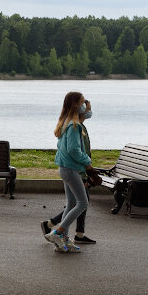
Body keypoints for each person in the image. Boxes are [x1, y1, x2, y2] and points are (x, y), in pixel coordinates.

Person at [44, 91, 98, 253]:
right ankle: (58, 232)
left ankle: (64, 241)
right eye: (83, 102)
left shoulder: (66, 122)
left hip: (65, 168)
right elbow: (74, 149)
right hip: (71, 169)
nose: (85, 106)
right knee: (83, 203)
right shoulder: (75, 126)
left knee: (72, 204)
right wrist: (88, 163)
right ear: (76, 105)